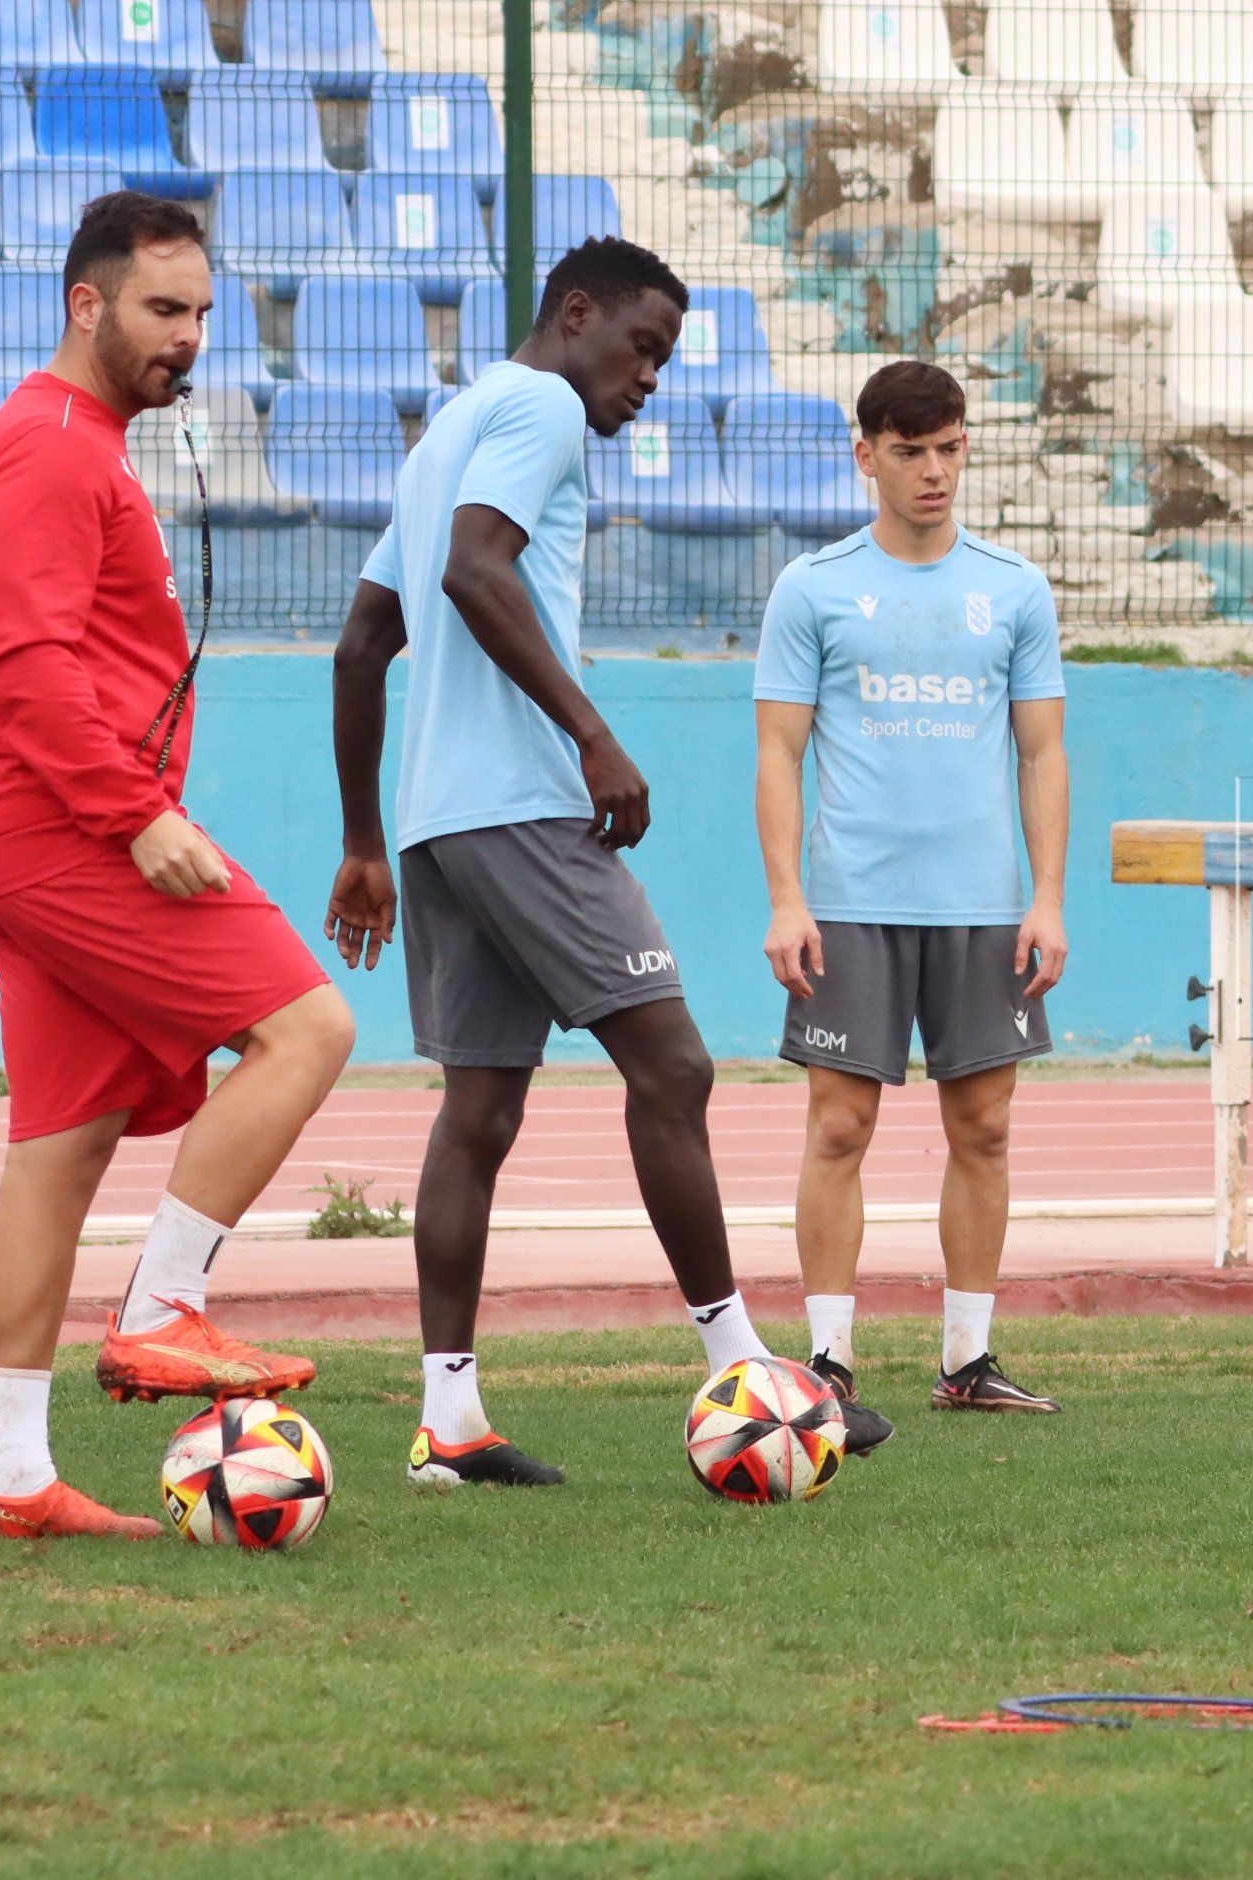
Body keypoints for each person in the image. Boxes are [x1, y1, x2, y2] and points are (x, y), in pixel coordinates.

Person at [326, 237, 871, 1484]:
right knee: (671, 1061)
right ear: (576, 316)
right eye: (642, 349)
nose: (650, 381)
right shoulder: (539, 408)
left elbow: (363, 645)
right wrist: (592, 735)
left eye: (666, 362)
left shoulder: (446, 428)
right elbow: (474, 570)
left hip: (433, 822)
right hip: (521, 805)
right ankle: (747, 1372)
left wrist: (366, 837)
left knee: (480, 1107)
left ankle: (448, 1423)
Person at [0, 194, 359, 1539]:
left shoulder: (91, 444)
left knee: (58, 1146)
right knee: (308, 1027)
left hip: (38, 832)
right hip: (68, 825)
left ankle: (12, 1471)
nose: (190, 338)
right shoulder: (47, 446)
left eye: (203, 312)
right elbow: (24, 662)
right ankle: (160, 1308)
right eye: (164, 310)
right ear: (86, 304)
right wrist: (133, 813)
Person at [755, 360, 1070, 1423]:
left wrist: (1048, 896)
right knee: (839, 1126)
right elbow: (778, 752)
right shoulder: (813, 588)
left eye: (950, 448)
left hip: (983, 907)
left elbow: (1042, 752)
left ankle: (968, 1360)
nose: (934, 472)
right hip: (850, 904)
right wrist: (787, 898)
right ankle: (829, 1361)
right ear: (865, 455)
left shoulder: (1014, 589)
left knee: (984, 1126)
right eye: (909, 452)